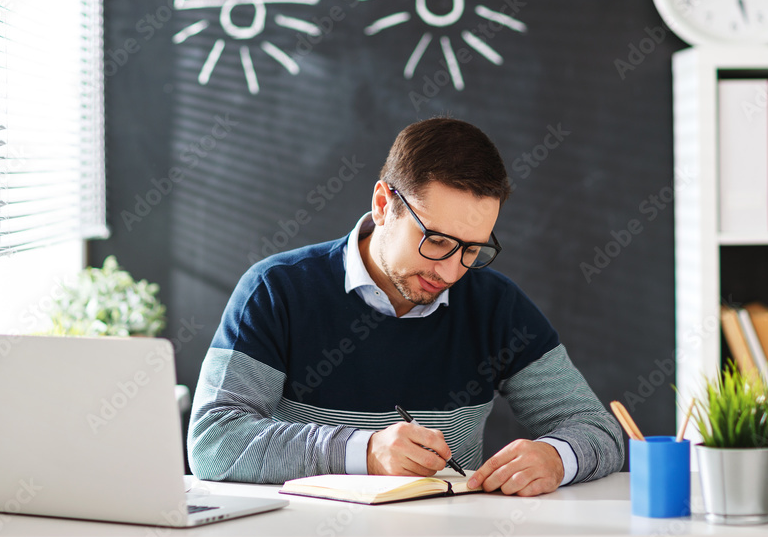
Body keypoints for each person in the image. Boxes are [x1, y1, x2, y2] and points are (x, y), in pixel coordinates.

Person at [188, 117, 623, 496]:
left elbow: (599, 430)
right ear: (382, 205)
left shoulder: (496, 305)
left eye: (472, 250)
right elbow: (213, 441)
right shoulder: (277, 289)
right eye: (436, 241)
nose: (452, 272)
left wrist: (555, 457)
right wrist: (366, 451)